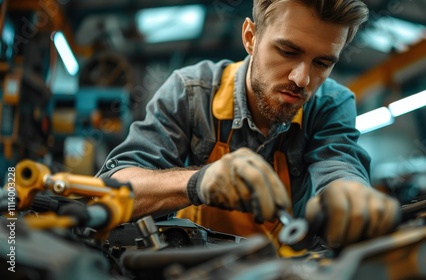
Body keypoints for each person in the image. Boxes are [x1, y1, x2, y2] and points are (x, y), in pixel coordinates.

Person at [96, 0, 400, 247]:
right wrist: (198, 181)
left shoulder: (331, 104)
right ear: (250, 38)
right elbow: (109, 191)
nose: (302, 79)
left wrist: (349, 197)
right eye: (288, 51)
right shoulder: (190, 92)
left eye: (322, 63)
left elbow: (338, 166)